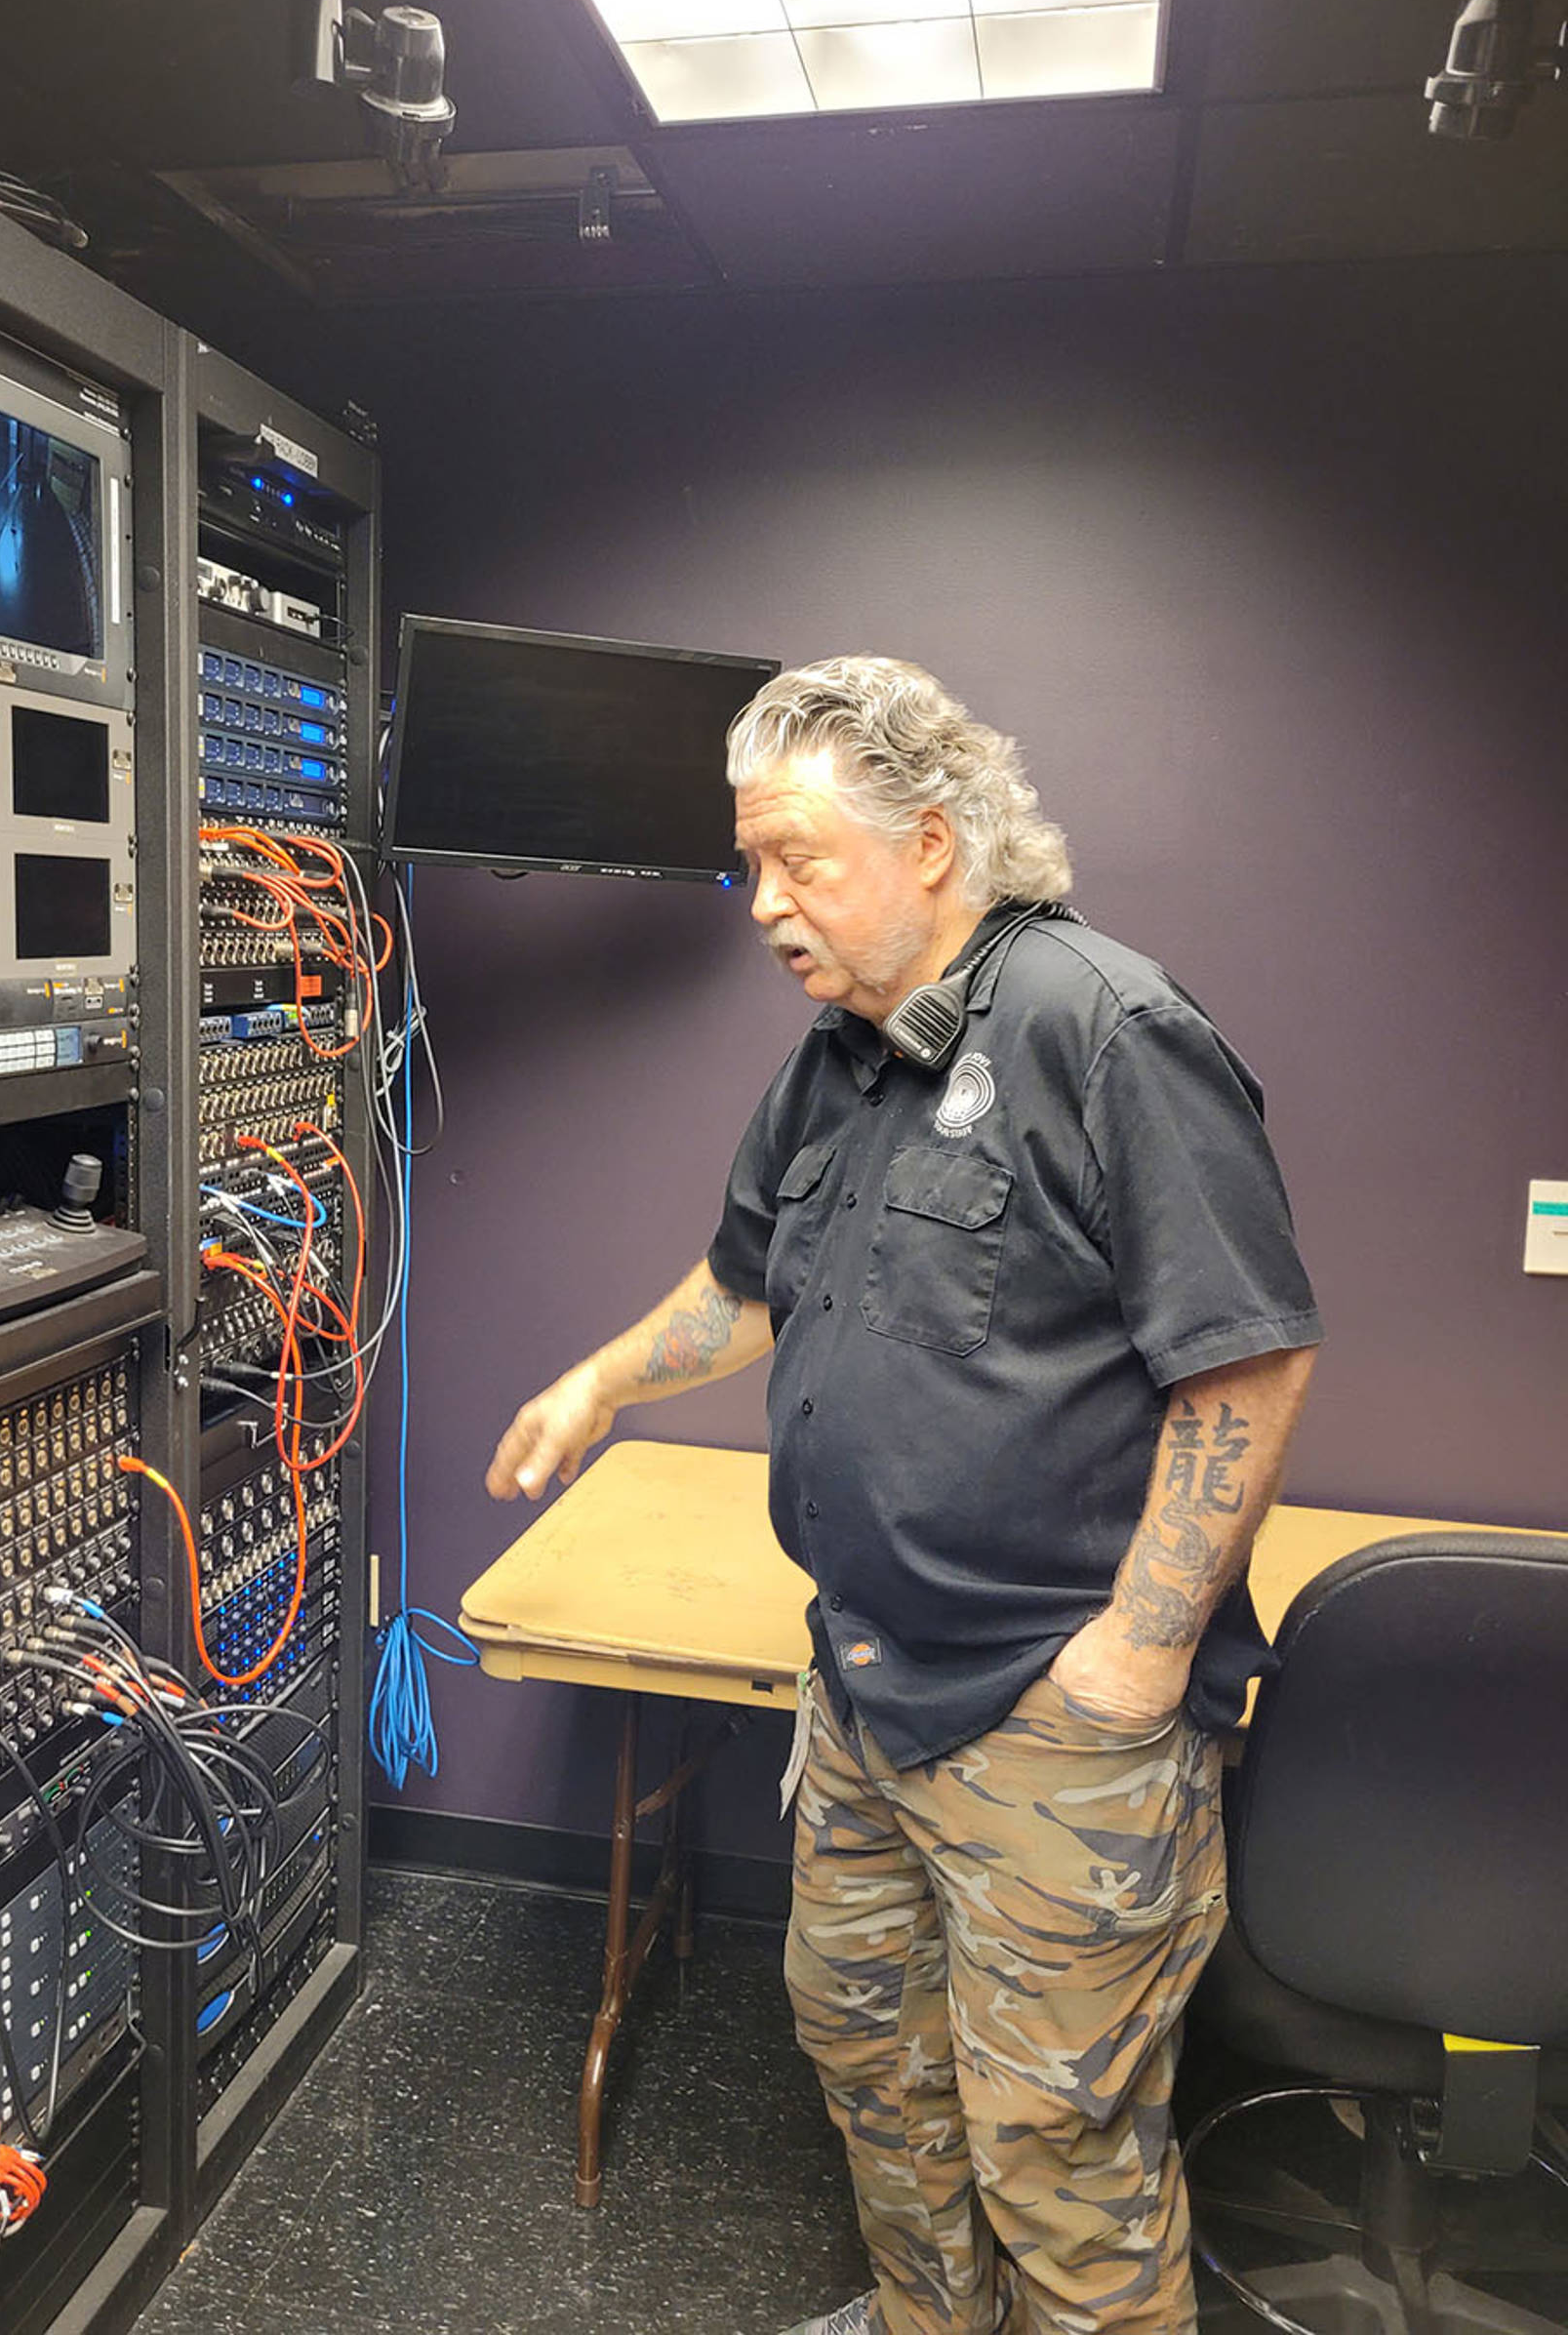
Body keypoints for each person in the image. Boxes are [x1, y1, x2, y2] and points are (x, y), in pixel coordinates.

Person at [486, 657, 1321, 2335]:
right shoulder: (841, 1057)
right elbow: (743, 1288)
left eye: (801, 861)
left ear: (934, 845)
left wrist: (1140, 1656)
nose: (764, 906)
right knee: (874, 2067)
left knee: (1057, 2150)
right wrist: (599, 1380)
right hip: (863, 1686)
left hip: (1050, 1713)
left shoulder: (1109, 1030)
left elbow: (1249, 1363)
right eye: (749, 868)